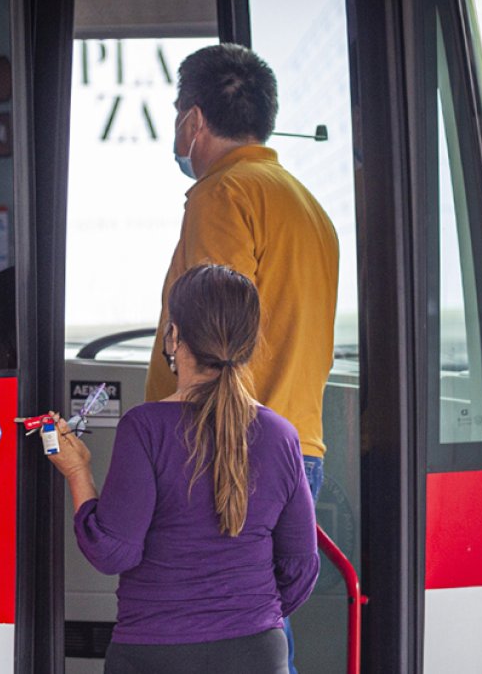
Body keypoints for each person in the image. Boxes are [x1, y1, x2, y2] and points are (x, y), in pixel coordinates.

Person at [145, 44, 339, 669]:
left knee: (215, 641)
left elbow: (211, 328)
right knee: (259, 632)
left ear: (194, 121)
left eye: (180, 115)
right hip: (294, 448)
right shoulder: (309, 208)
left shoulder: (222, 194)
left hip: (226, 452)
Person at [48, 264, 319, 674]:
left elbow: (113, 551)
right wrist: (244, 614)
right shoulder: (281, 435)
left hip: (155, 653)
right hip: (257, 652)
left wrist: (77, 472)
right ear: (248, 342)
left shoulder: (145, 428)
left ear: (174, 336)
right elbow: (301, 567)